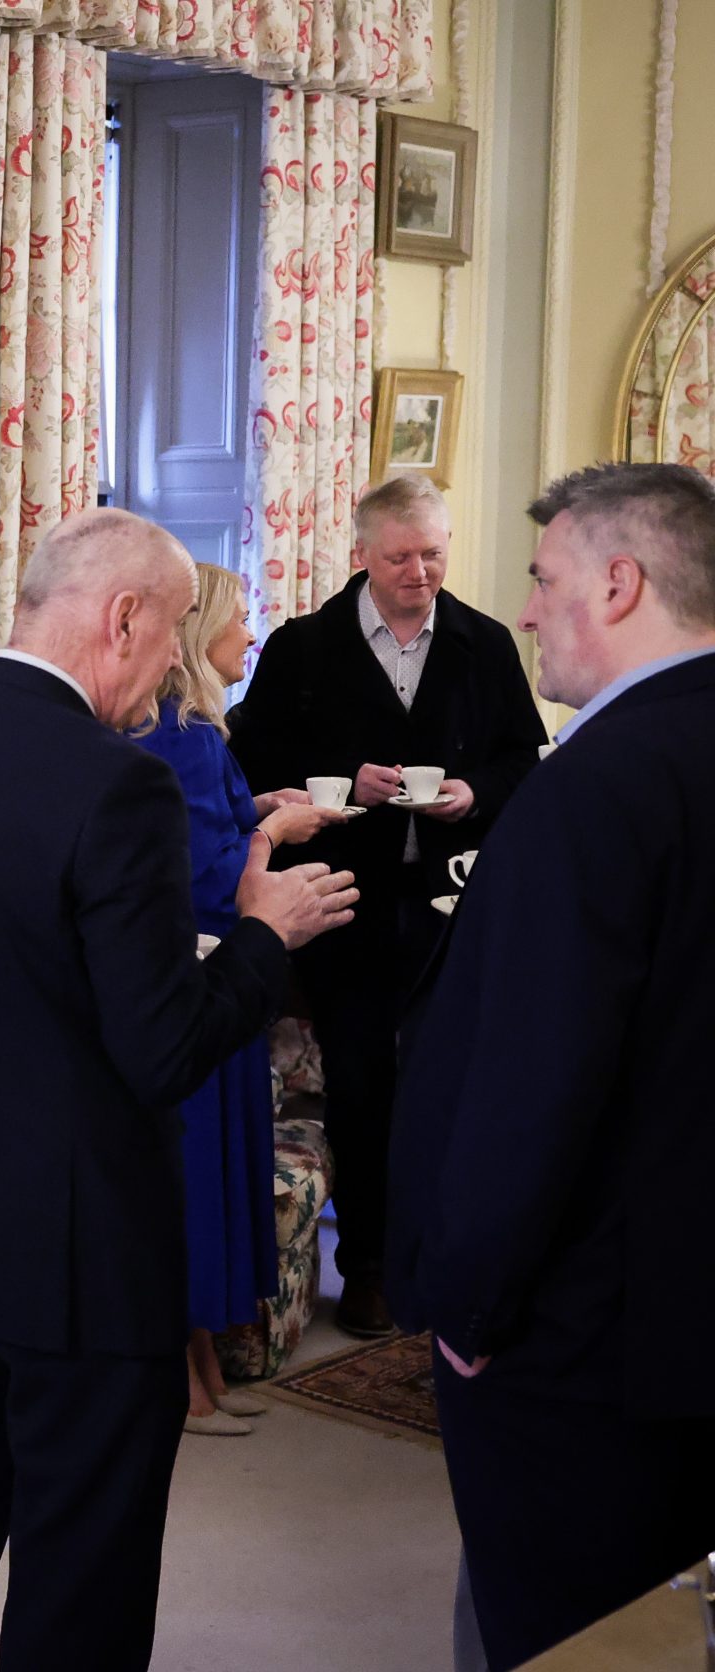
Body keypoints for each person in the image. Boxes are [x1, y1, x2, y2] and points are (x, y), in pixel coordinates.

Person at [0, 508, 356, 1672]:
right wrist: (260, 934)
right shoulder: (114, 785)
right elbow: (163, 1050)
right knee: (82, 1570)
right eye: (175, 630)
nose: (178, 660)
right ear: (121, 616)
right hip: (84, 1255)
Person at [389, 462, 715, 1669]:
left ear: (619, 583)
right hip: (685, 1306)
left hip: (586, 1334)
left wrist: (468, 1305)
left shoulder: (593, 786)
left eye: (542, 580)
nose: (525, 611)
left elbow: (528, 1081)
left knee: (562, 1634)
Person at [227, 475, 546, 1337]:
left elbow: (528, 761)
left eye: (435, 553)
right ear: (362, 554)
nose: (421, 572)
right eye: (401, 556)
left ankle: (437, 1260)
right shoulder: (302, 647)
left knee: (453, 1086)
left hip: (454, 906)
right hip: (342, 903)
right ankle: (366, 1266)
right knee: (363, 1086)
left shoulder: (483, 643)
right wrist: (348, 775)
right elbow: (249, 769)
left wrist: (472, 792)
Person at [130, 564, 341, 1436]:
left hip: (211, 984)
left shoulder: (190, 730)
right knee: (192, 1194)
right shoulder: (180, 733)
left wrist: (257, 807)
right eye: (238, 622)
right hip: (204, 982)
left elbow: (203, 828)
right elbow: (200, 872)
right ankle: (183, 1385)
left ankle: (208, 1371)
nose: (251, 637)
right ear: (198, 631)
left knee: (205, 1188)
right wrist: (274, 833)